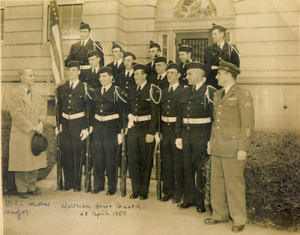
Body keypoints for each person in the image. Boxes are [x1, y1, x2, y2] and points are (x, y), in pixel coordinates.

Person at [204, 60, 254, 233]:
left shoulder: (242, 94)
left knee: (234, 184)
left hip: (233, 148)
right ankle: (219, 214)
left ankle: (239, 218)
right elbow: (214, 122)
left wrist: (243, 148)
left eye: (219, 74)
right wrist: (211, 142)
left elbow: (247, 123)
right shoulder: (217, 95)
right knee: (217, 183)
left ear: (228, 74)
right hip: (218, 146)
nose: (216, 76)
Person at [175, 62, 216, 213]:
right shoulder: (185, 92)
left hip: (202, 135)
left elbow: (215, 118)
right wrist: (178, 135)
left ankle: (200, 201)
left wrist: (211, 139)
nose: (187, 77)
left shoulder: (209, 92)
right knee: (187, 167)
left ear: (199, 74)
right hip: (186, 134)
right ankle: (189, 199)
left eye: (189, 74)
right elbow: (179, 116)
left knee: (200, 168)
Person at [8, 68, 47, 199]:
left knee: (34, 158)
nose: (33, 78)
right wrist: (32, 126)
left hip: (35, 130)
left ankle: (31, 186)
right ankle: (22, 189)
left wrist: (41, 122)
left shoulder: (37, 93)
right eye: (30, 76)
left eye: (34, 75)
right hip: (22, 131)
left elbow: (43, 109)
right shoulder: (14, 94)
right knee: (22, 160)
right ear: (22, 78)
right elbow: (16, 114)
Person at [89, 66, 126, 195]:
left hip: (111, 127)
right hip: (98, 127)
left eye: (104, 76)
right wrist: (92, 125)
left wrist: (121, 130)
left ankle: (111, 187)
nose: (102, 78)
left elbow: (122, 113)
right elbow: (92, 111)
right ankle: (98, 185)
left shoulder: (117, 92)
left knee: (111, 158)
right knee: (98, 157)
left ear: (111, 77)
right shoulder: (95, 92)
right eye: (100, 76)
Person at [126, 64, 160, 200]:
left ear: (145, 75)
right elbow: (128, 109)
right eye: (134, 74)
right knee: (133, 159)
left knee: (146, 160)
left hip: (146, 128)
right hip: (133, 127)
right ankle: (135, 189)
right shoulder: (131, 89)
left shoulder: (152, 89)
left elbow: (154, 113)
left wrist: (152, 132)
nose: (135, 77)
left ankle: (144, 190)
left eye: (138, 74)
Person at [56, 61, 90, 192]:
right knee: (66, 153)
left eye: (74, 70)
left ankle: (76, 184)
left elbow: (88, 109)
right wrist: (58, 125)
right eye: (69, 70)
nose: (71, 73)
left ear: (79, 72)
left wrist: (86, 127)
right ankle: (68, 183)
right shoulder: (62, 88)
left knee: (77, 153)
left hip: (78, 123)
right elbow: (59, 108)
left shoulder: (85, 87)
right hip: (65, 123)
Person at [160, 61, 184, 203]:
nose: (169, 75)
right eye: (168, 72)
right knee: (166, 162)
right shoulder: (163, 91)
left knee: (178, 162)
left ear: (179, 75)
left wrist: (179, 133)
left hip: (177, 130)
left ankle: (179, 191)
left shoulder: (183, 91)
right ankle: (167, 190)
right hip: (165, 129)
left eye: (172, 73)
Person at [204, 23, 239, 89]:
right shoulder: (209, 49)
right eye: (212, 34)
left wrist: (232, 78)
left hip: (227, 79)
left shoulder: (231, 48)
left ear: (222, 34)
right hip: (212, 80)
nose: (213, 36)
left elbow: (236, 65)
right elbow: (207, 66)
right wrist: (205, 78)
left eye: (215, 34)